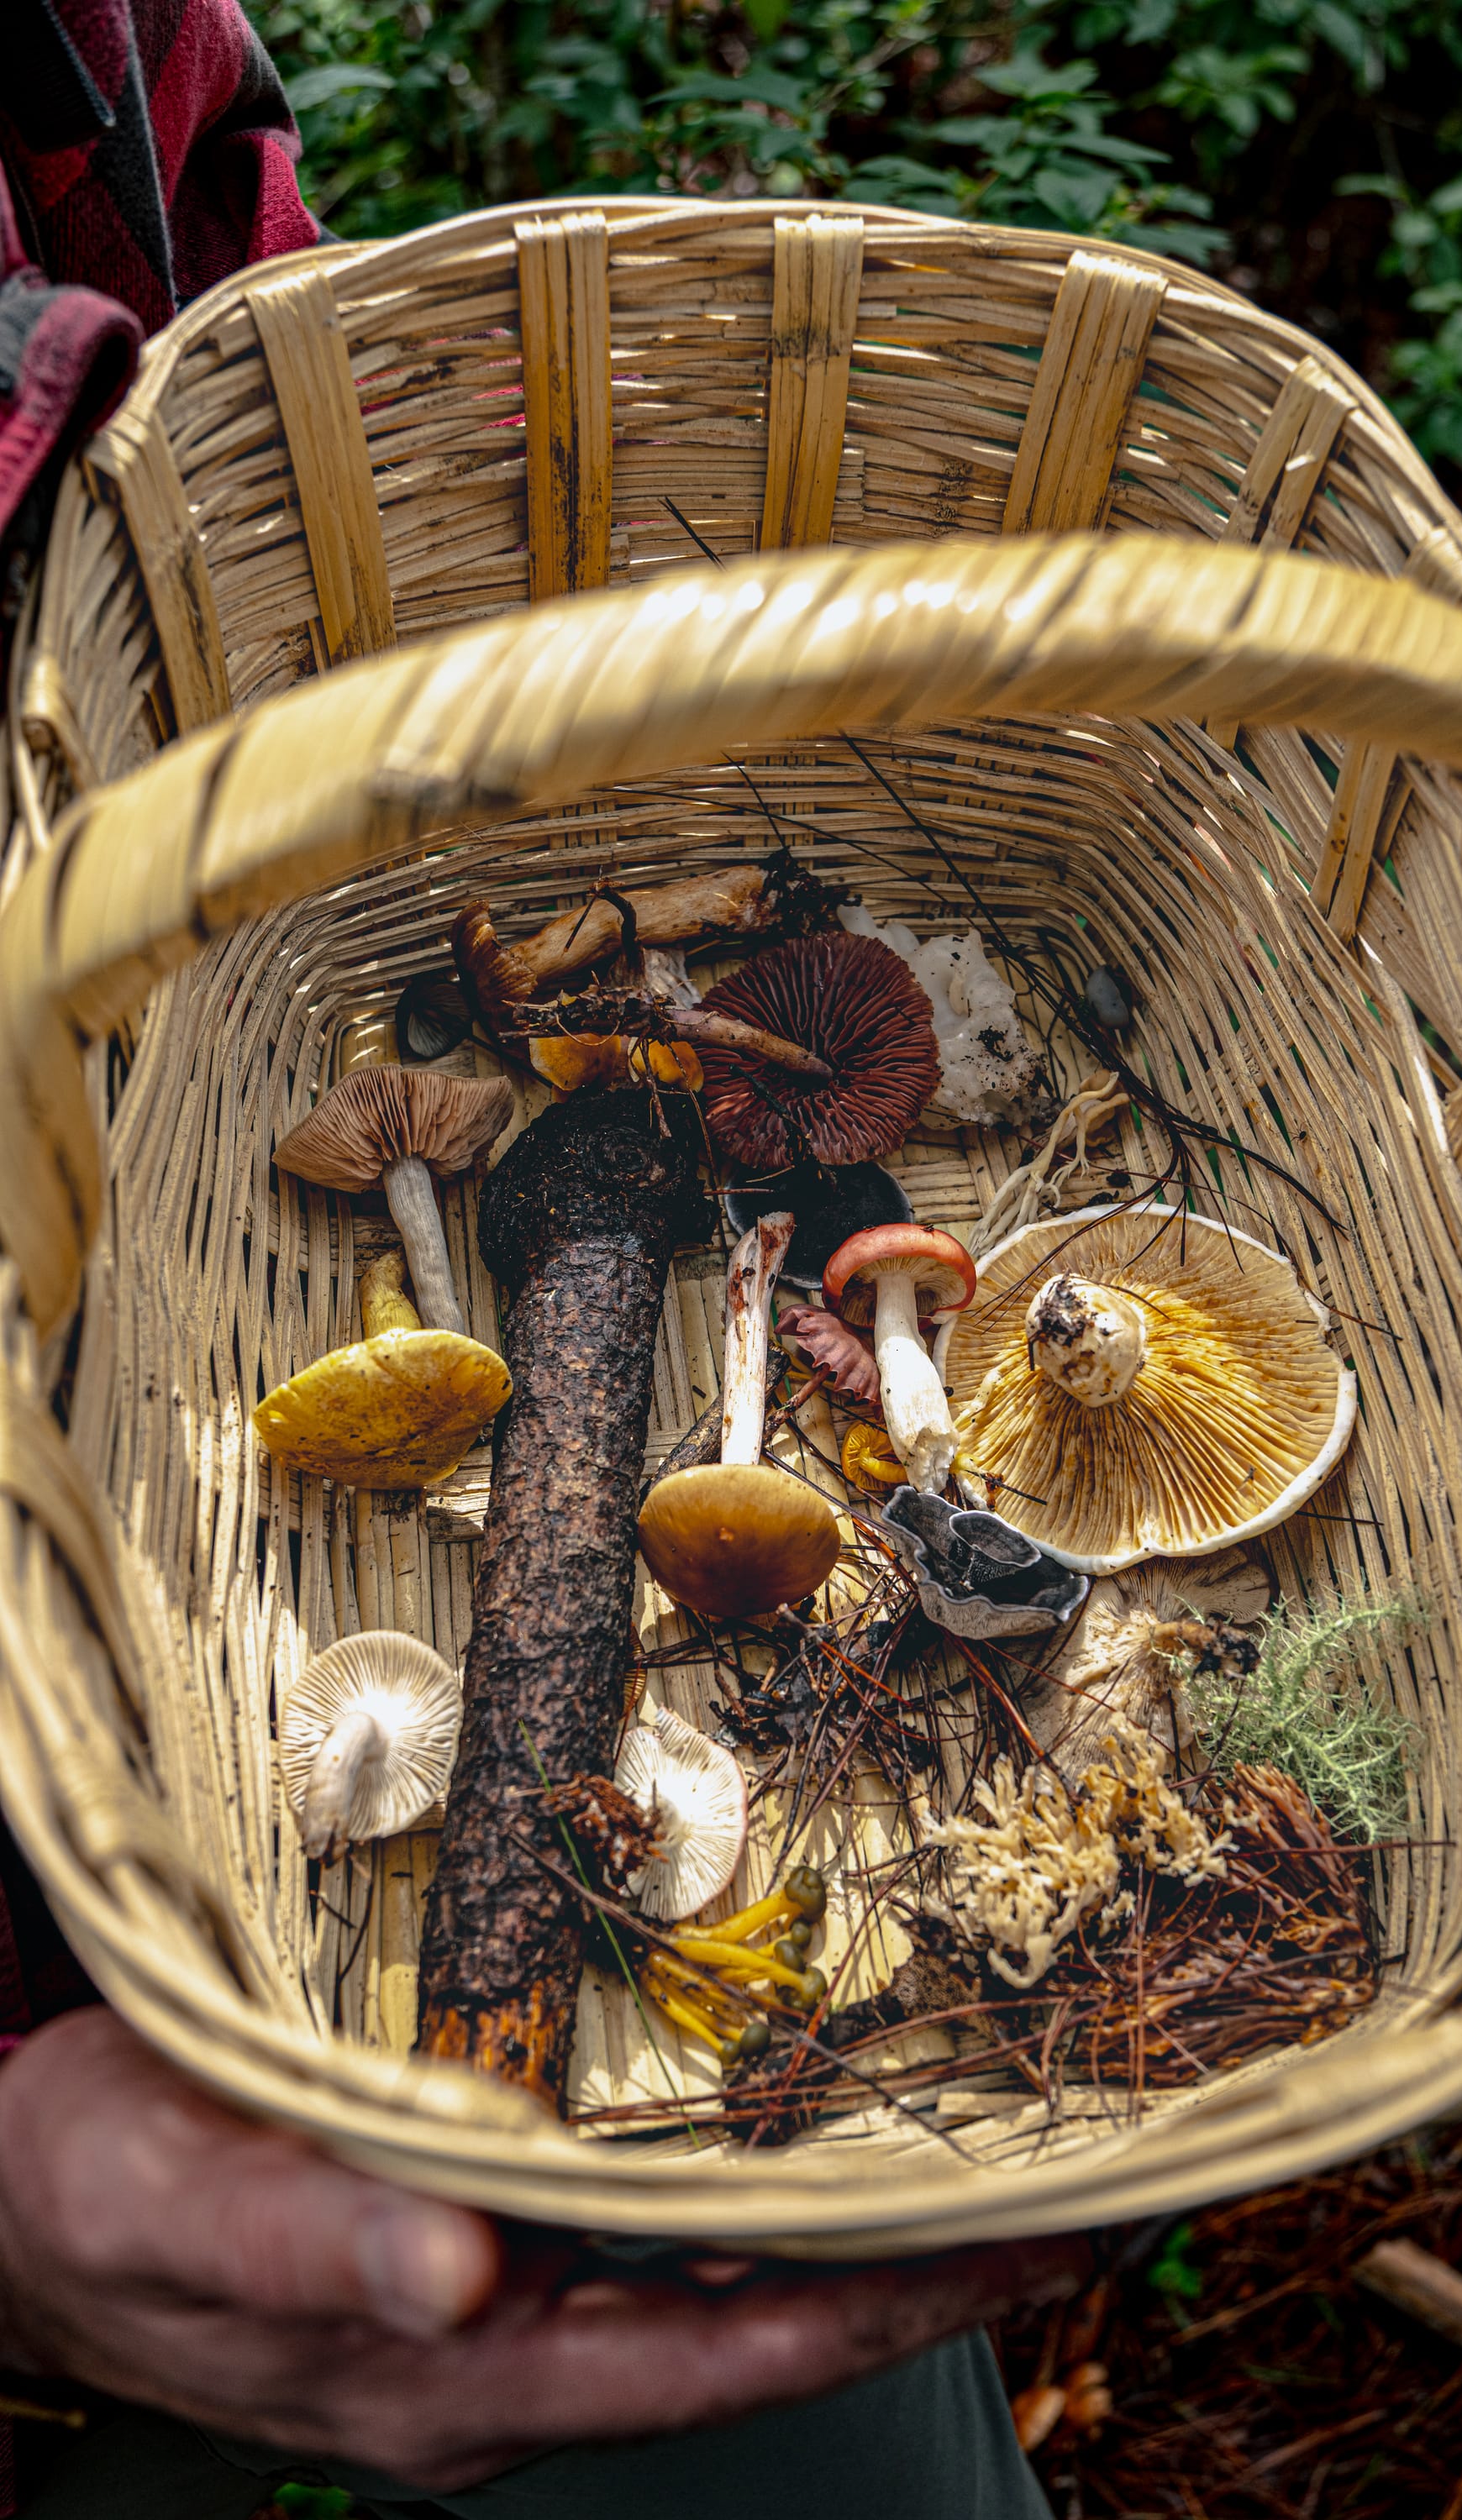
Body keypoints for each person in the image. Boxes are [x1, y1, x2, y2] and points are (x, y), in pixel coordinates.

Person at [0, 8, 1091, 2513]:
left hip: (526, 2066)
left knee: (810, 2410)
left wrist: (445, 511)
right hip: (81, 2042)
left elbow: (219, 308)